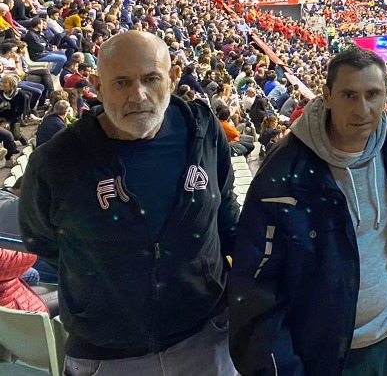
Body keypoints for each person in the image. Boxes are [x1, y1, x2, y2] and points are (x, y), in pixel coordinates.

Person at [19, 31, 239, 375]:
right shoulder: (57, 160)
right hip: (107, 354)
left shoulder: (204, 130)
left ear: (173, 78)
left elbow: (224, 211)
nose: (138, 96)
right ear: (98, 85)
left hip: (206, 338)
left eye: (151, 79)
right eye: (121, 83)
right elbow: (41, 239)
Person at [230, 47, 387, 375]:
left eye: (372, 95)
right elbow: (255, 290)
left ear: (386, 97)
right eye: (349, 95)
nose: (362, 109)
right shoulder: (283, 174)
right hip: (328, 353)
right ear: (326, 95)